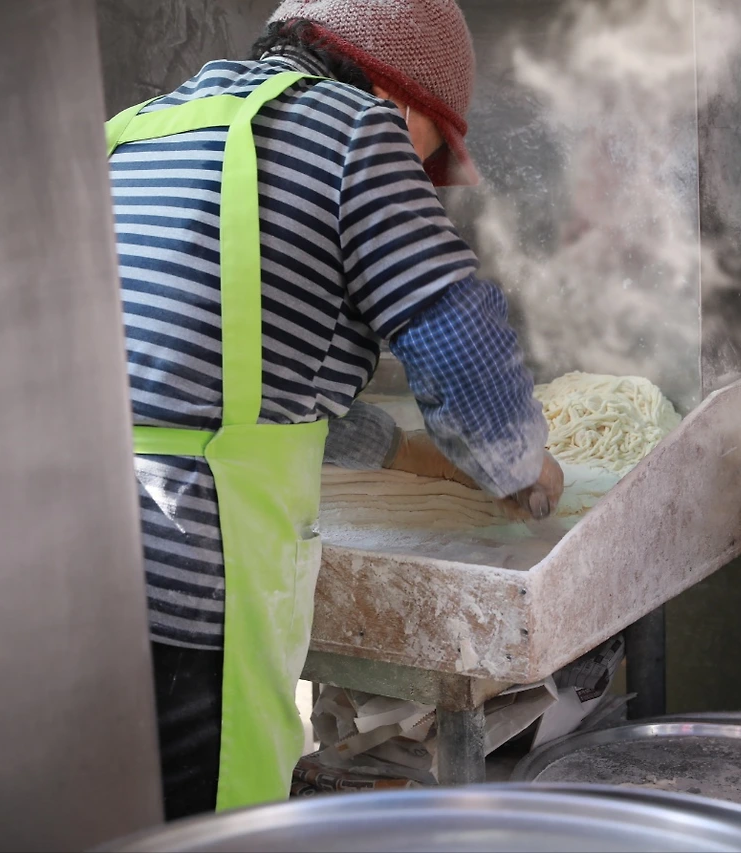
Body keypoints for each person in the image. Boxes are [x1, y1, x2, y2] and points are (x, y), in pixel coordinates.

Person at [106, 0, 564, 821]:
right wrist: (521, 465)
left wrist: (408, 451)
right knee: (208, 830)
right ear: (400, 99)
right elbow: (453, 329)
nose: (422, 179)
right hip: (195, 579)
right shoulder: (355, 129)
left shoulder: (139, 129)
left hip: (75, 566)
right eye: (432, 152)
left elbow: (233, 391)